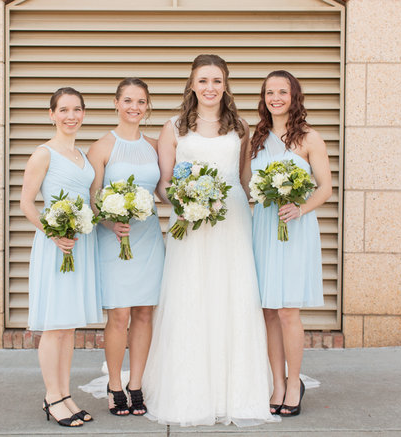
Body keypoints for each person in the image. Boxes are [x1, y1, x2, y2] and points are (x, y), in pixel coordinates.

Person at [141, 54, 276, 427]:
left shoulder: (241, 127)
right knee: (191, 295)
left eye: (217, 81)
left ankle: (236, 390)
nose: (210, 88)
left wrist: (275, 203)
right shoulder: (174, 127)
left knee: (232, 295)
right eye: (203, 81)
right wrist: (185, 203)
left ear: (226, 85)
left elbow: (246, 179)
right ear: (192, 85)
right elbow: (164, 184)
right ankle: (189, 389)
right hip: (189, 223)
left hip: (232, 219)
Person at [249, 70, 332, 417]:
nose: (276, 98)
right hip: (265, 227)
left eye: (283, 91)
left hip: (295, 227)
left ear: (294, 97)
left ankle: (295, 382)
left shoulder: (310, 138)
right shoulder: (257, 137)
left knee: (287, 311)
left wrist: (300, 207)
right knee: (268, 310)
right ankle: (277, 382)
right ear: (264, 98)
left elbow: (325, 188)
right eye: (270, 92)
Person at [20, 87, 102, 427]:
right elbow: (26, 204)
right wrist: (54, 233)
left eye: (77, 109)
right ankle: (52, 397)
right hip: (55, 247)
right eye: (64, 110)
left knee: (68, 327)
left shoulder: (83, 155)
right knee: (54, 326)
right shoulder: (44, 154)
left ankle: (66, 393)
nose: (71, 116)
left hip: (79, 244)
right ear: (51, 114)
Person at [87, 78, 165, 416]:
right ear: (116, 103)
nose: (135, 107)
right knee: (119, 314)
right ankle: (115, 384)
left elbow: (163, 189)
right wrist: (108, 221)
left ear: (147, 107)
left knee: (145, 312)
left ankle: (137, 384)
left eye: (141, 102)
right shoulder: (102, 146)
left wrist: (192, 202)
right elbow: (90, 199)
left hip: (148, 238)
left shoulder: (155, 145)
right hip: (115, 237)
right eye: (129, 100)